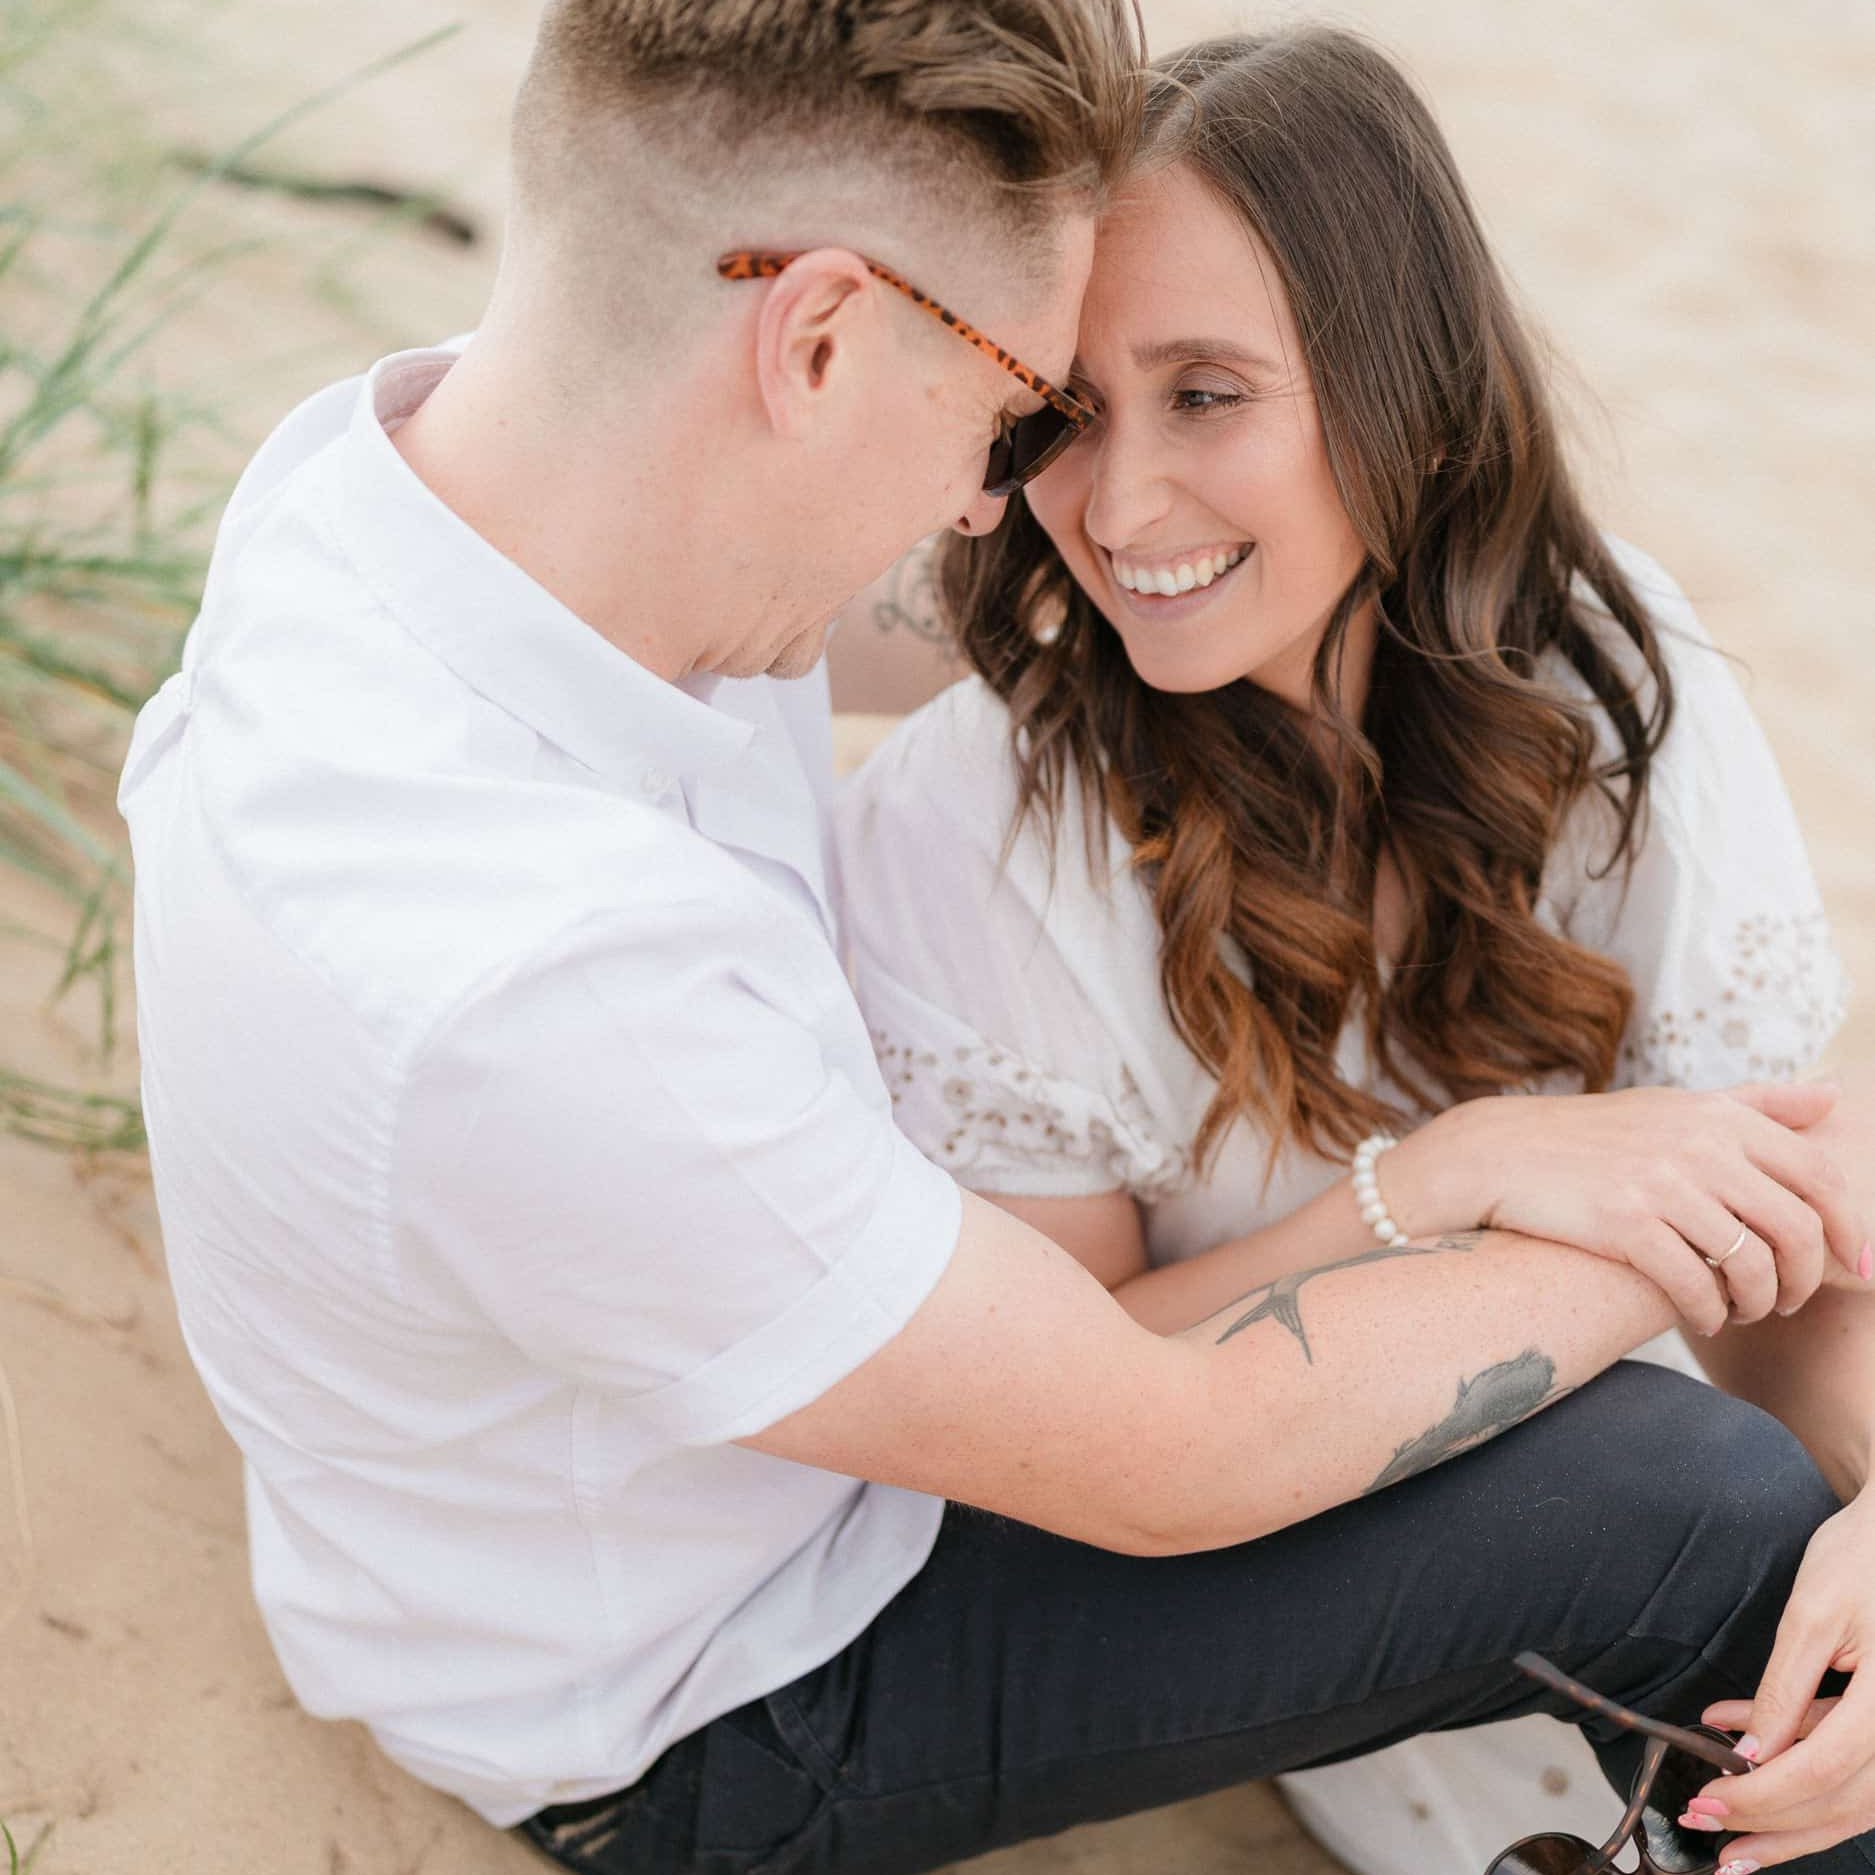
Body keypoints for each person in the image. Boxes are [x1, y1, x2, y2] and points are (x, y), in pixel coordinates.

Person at [115, 7, 1871, 1875]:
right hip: (715, 1684)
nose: (1006, 507)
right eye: (1022, 413)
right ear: (811, 342)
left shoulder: (512, 487)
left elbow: (1116, 552)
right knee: (1680, 1510)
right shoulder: (526, 970)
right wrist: (1567, 1195)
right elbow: (1163, 1440)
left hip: (873, 1417)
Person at [831, 27, 1875, 1875]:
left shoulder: (1611, 670)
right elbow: (1061, 1400)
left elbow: (1768, 1228)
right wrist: (1437, 1179)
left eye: (1208, 393)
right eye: (1069, 407)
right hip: (1296, 1578)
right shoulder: (974, 824)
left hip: (1648, 1497)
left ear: (1405, 390)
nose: (1122, 504)